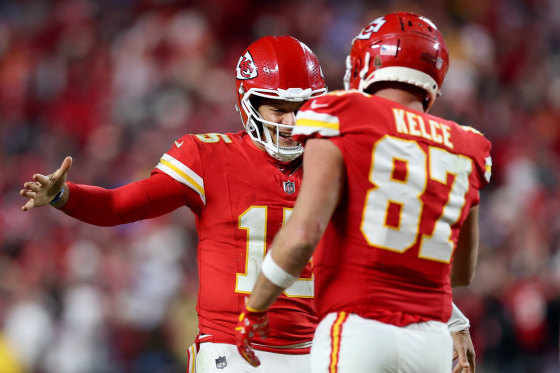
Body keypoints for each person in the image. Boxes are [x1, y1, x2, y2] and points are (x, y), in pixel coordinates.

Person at [20, 35, 327, 373]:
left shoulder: (335, 164)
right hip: (234, 350)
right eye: (278, 109)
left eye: (301, 108)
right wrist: (64, 195)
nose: (291, 122)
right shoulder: (208, 156)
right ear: (249, 105)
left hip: (316, 350)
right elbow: (118, 206)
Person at [234, 12, 491, 373]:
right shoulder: (469, 145)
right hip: (432, 340)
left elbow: (304, 233)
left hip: (358, 329)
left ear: (368, 62)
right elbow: (461, 272)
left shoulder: (341, 114)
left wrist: (256, 306)